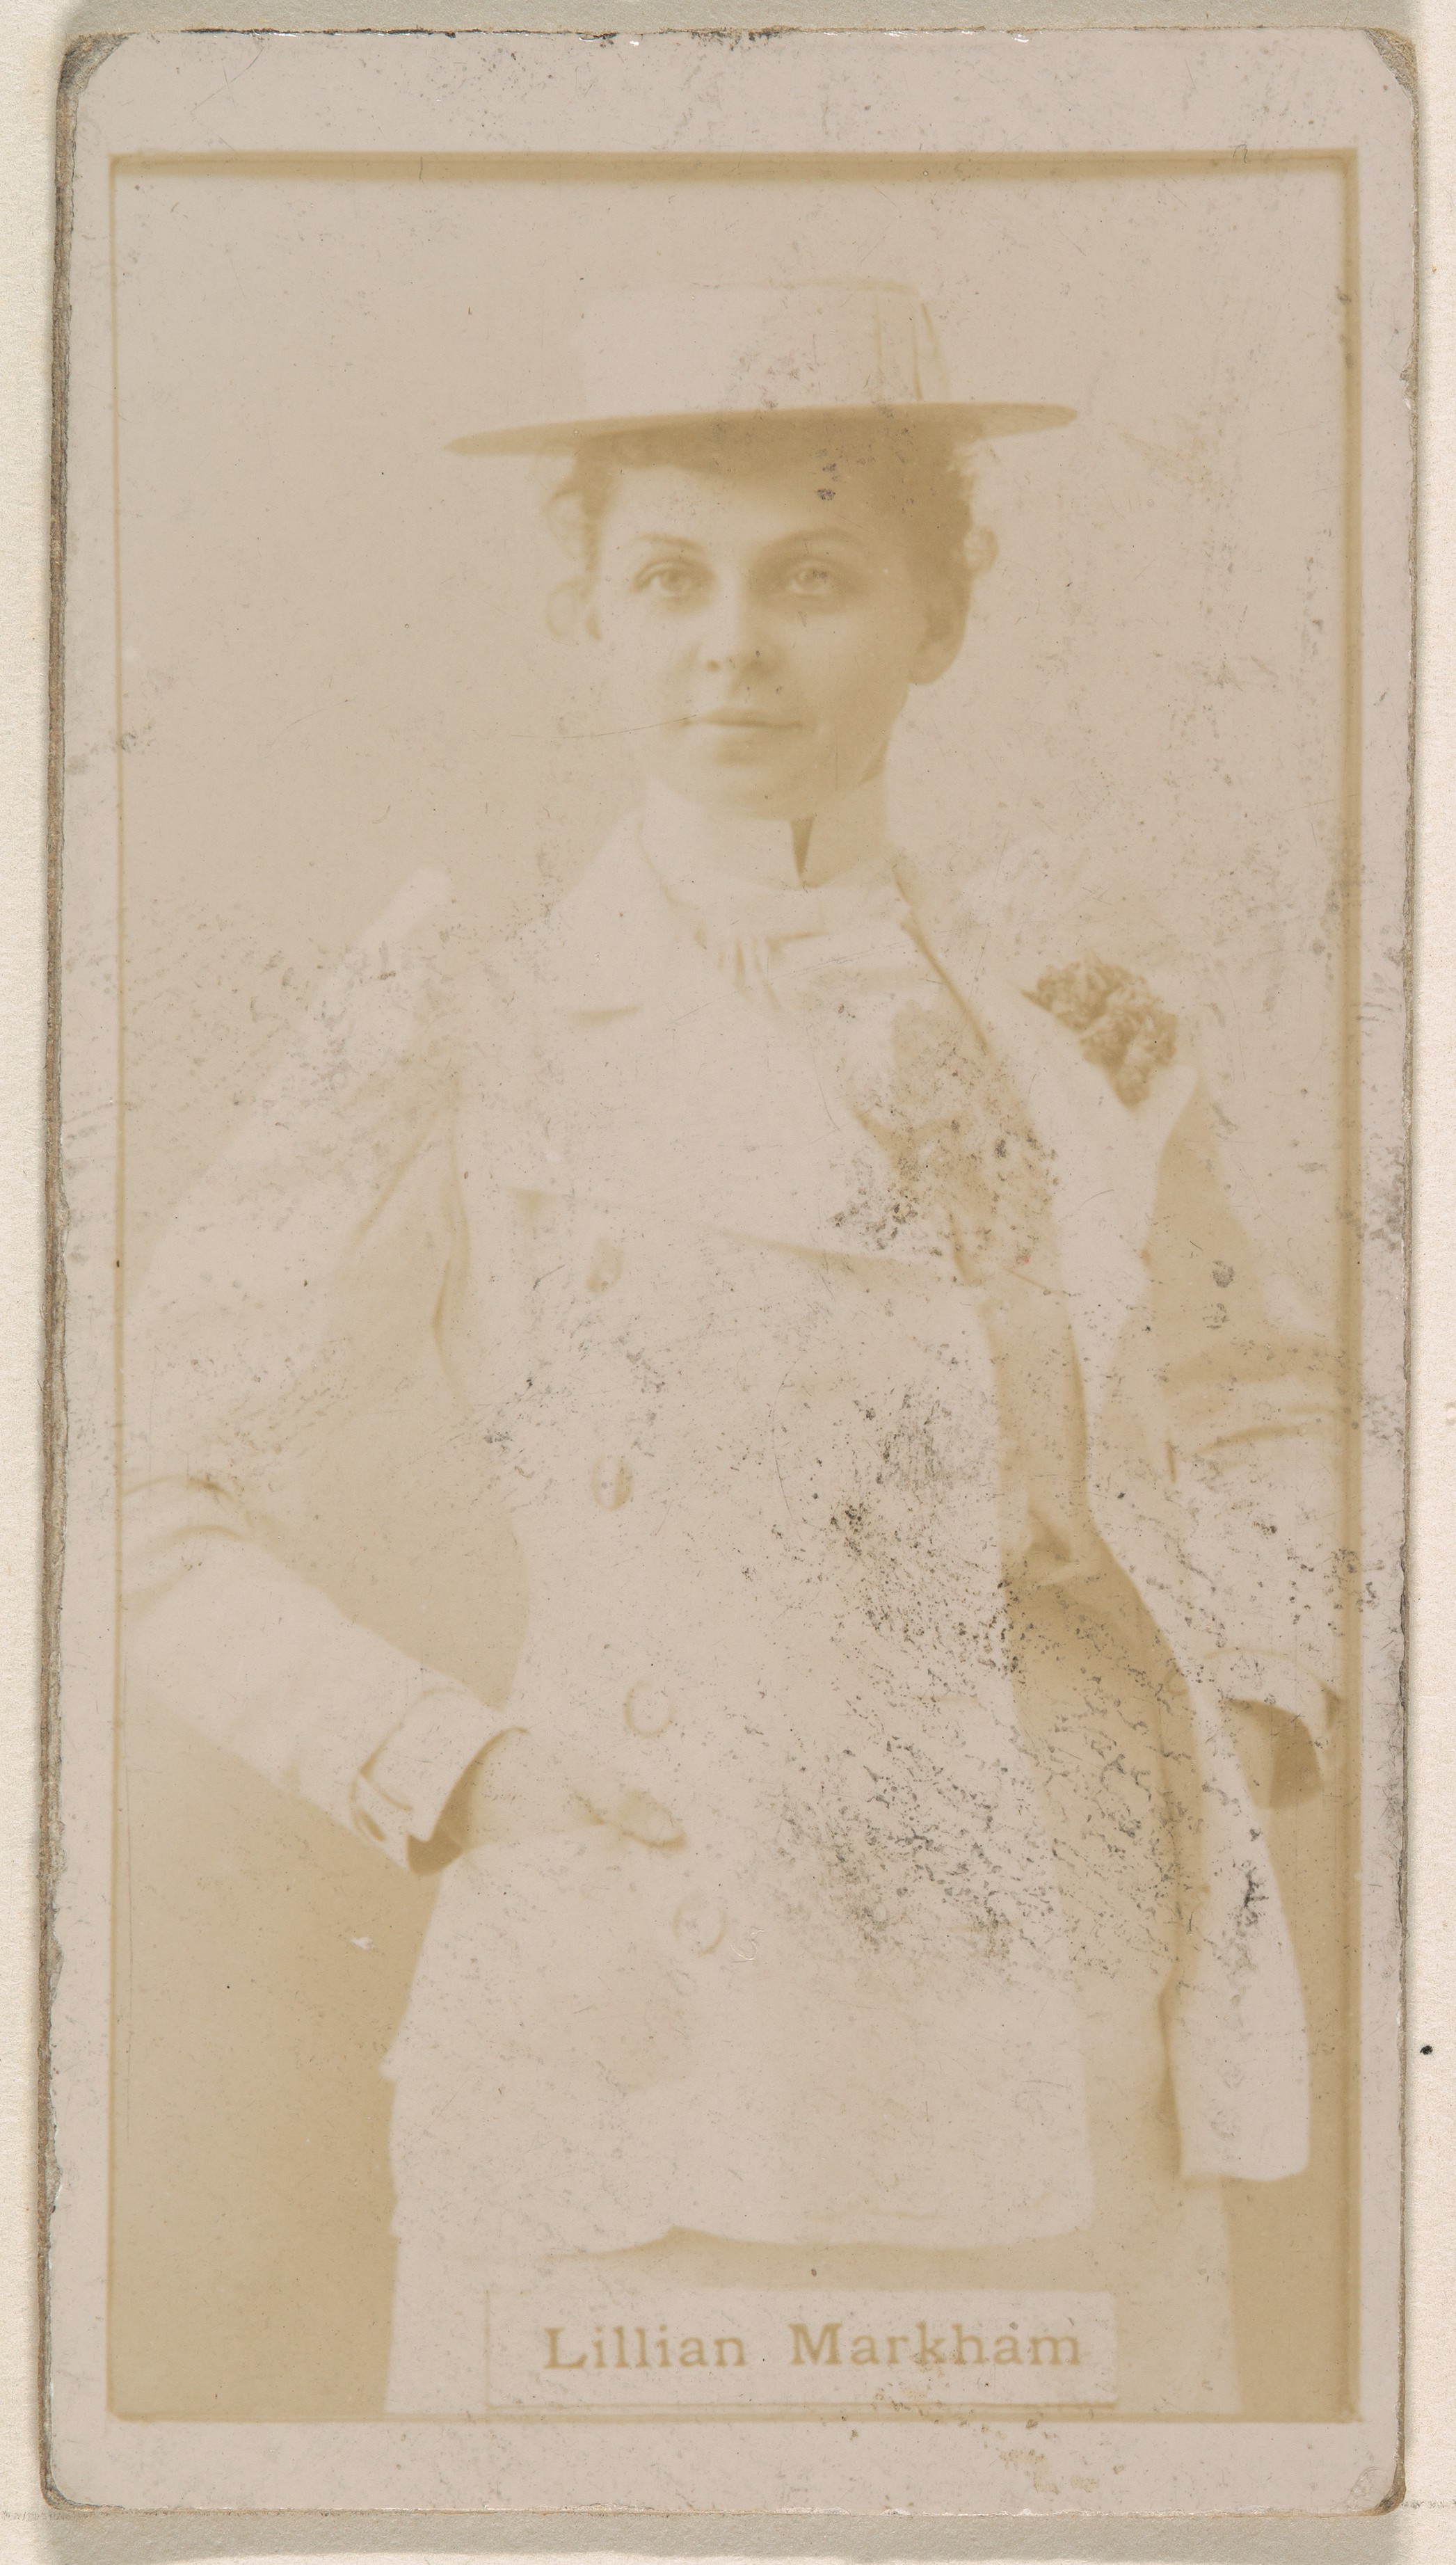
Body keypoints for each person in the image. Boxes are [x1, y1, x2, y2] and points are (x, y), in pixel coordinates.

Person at [124, 280, 1341, 2420]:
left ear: (939, 619)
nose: (733, 649)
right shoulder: (475, 1019)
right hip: (649, 2042)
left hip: (1071, 2038)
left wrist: (1250, 1698)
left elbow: (1276, 1413)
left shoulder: (1071, 1020)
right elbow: (131, 1492)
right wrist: (446, 1763)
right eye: (669, 581)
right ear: (586, 618)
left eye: (816, 581)